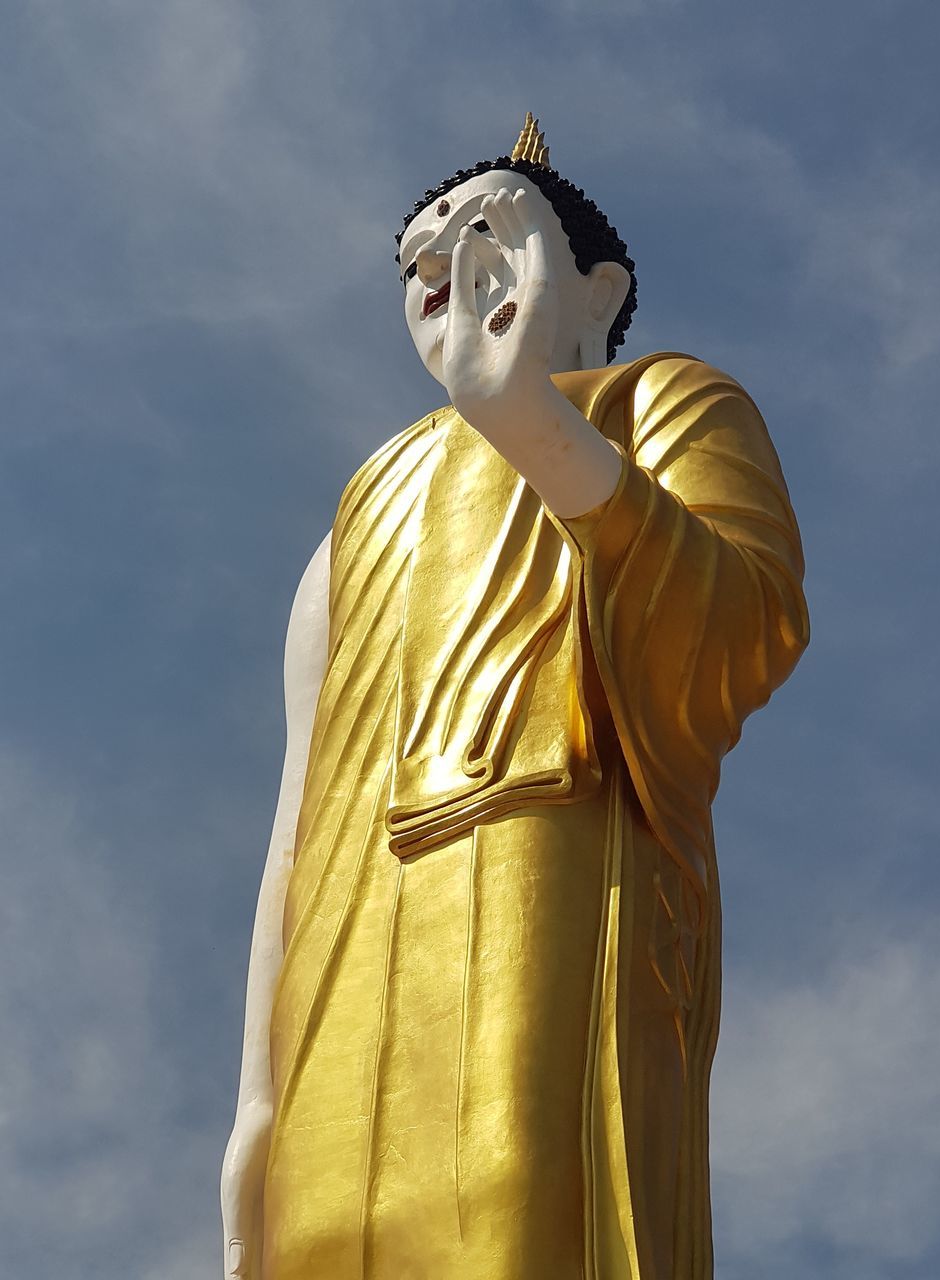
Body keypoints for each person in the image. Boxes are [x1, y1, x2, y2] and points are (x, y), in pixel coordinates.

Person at [221, 115, 808, 1280]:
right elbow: (297, 821)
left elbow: (742, 626)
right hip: (348, 940)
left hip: (555, 861)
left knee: (519, 1203)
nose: (448, 261)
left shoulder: (666, 401)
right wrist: (255, 1097)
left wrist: (527, 417)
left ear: (596, 285)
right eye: (423, 259)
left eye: (490, 227)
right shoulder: (358, 517)